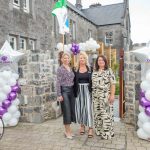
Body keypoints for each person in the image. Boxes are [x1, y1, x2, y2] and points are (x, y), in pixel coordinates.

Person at [92, 55, 116, 139]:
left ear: (105, 61)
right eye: (99, 60)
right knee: (98, 114)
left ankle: (107, 133)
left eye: (102, 60)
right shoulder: (95, 71)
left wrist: (112, 95)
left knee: (106, 115)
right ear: (97, 62)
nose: (100, 61)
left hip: (106, 96)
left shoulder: (109, 71)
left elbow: (113, 84)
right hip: (96, 97)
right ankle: (99, 131)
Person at [73, 51, 93, 138]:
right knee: (80, 108)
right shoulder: (75, 69)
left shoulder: (90, 68)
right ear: (78, 59)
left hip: (87, 90)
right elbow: (72, 81)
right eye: (80, 58)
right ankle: (82, 126)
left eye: (83, 58)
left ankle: (90, 128)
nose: (82, 59)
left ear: (86, 59)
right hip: (78, 91)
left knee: (88, 109)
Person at [56, 52, 76, 139]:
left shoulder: (71, 68)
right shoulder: (60, 69)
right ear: (61, 59)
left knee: (71, 110)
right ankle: (67, 132)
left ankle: (69, 130)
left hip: (71, 91)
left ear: (70, 59)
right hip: (64, 91)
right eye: (64, 58)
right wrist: (59, 94)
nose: (66, 59)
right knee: (66, 111)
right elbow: (58, 82)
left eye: (68, 58)